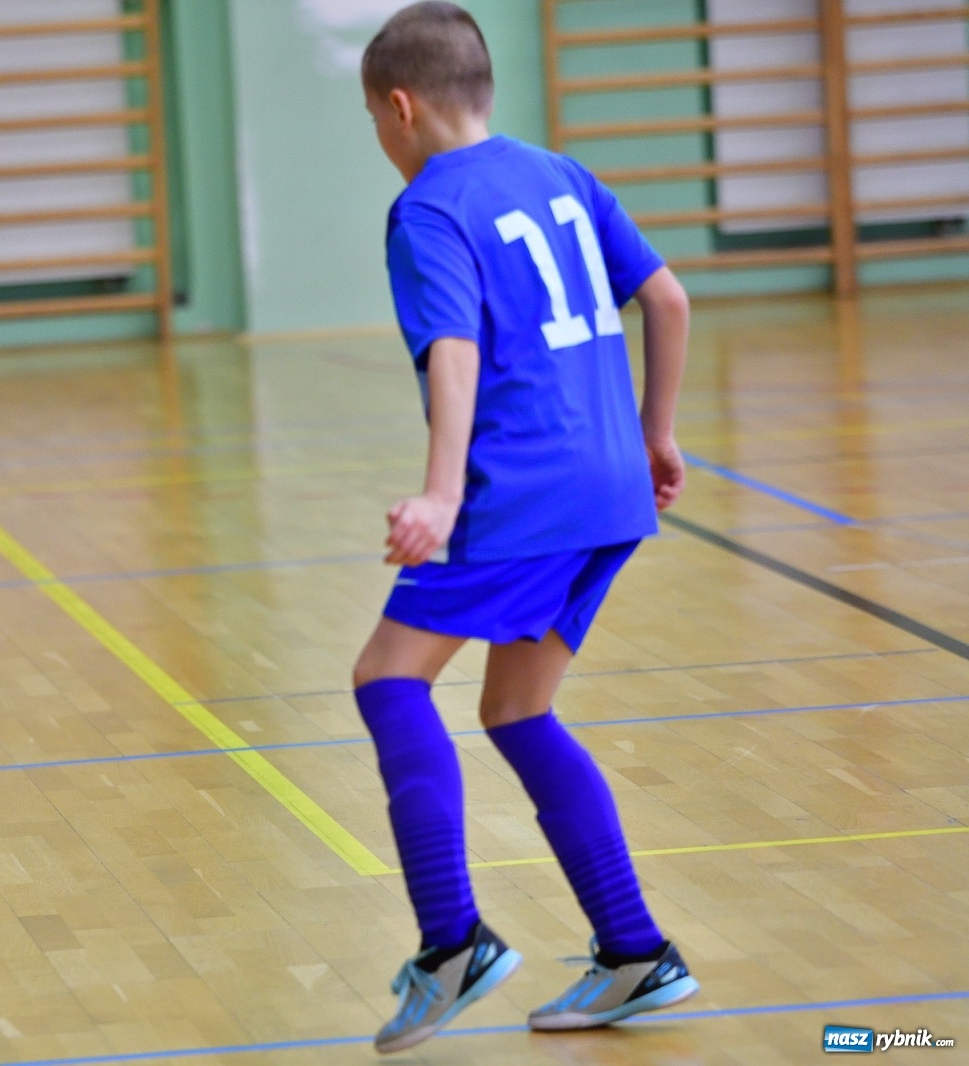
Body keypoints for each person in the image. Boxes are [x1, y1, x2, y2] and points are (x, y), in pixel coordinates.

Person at [352, 3, 698, 1052]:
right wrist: (655, 434)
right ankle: (635, 953)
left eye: (373, 120)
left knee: (387, 680)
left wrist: (441, 496)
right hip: (610, 493)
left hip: (524, 494)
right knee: (515, 708)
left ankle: (450, 941)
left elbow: (453, 350)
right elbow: (669, 300)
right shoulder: (560, 174)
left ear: (400, 108)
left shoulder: (427, 209)